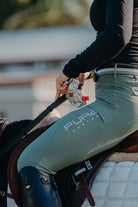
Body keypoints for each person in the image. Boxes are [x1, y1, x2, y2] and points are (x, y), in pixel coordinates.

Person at [17, 0, 138, 206]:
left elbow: (117, 36)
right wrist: (91, 66)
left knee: (32, 161)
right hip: (121, 90)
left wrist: (72, 68)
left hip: (121, 99)